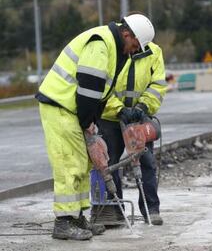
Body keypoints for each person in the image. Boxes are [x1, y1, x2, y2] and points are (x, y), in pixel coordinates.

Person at [36, 14, 155, 240]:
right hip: (60, 106)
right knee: (69, 162)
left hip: (72, 109)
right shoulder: (101, 43)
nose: (134, 50)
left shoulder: (114, 48)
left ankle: (77, 217)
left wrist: (91, 126)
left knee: (83, 163)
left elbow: (100, 93)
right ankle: (63, 222)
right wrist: (88, 125)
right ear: (127, 34)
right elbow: (89, 90)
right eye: (135, 44)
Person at [91, 14, 167, 226]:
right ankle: (114, 212)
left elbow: (158, 85)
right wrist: (118, 109)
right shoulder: (110, 49)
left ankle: (151, 209)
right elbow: (102, 86)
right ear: (128, 36)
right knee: (108, 162)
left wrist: (143, 106)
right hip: (110, 116)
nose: (135, 49)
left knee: (146, 161)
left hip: (139, 116)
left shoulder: (154, 52)